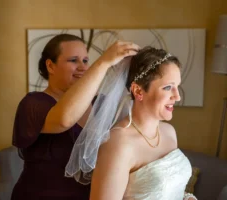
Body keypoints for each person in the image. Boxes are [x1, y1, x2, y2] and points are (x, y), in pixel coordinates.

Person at [11, 33, 140, 200]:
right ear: (50, 66)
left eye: (86, 61)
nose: (83, 67)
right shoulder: (33, 104)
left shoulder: (102, 104)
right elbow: (65, 120)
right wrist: (103, 62)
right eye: (73, 60)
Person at [66, 46, 197, 200]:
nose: (177, 96)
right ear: (138, 91)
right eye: (168, 87)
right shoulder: (117, 144)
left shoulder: (169, 132)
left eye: (177, 87)